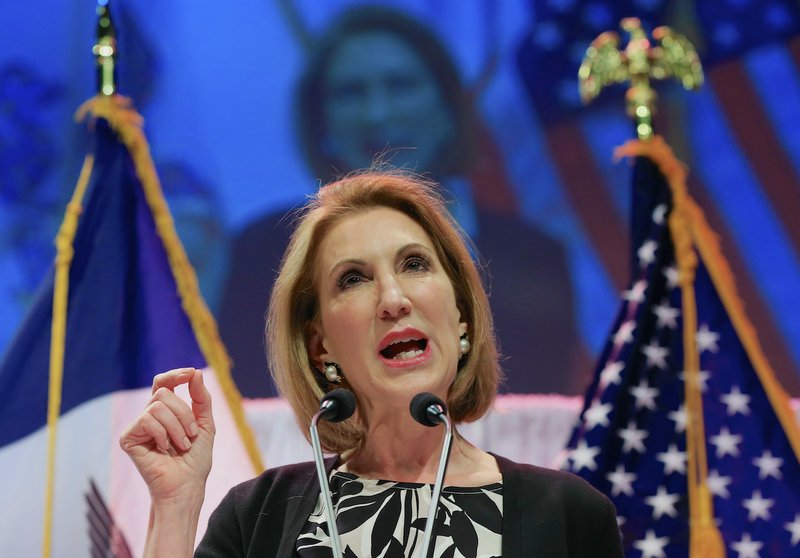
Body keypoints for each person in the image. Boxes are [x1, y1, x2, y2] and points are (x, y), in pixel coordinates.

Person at [121, 171, 622, 557]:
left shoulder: (568, 516)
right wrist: (175, 504)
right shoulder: (259, 516)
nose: (393, 298)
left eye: (415, 264)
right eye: (353, 279)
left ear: (462, 317)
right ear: (320, 347)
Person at [218, 6, 582, 397]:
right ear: (321, 121)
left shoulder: (534, 255)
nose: (377, 113)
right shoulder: (264, 253)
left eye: (401, 85)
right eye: (351, 92)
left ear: (446, 109)